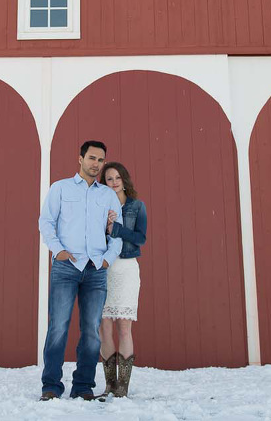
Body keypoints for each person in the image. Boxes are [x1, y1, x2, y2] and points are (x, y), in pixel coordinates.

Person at [38, 140, 123, 401]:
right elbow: (46, 222)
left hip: (96, 270)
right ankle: (51, 386)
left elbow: (117, 233)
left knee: (90, 332)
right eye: (92, 158)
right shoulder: (60, 188)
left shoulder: (107, 195)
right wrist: (58, 251)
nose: (96, 164)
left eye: (100, 160)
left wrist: (108, 258)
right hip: (66, 266)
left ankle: (83, 387)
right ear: (80, 158)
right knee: (59, 328)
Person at [99, 161, 147, 398]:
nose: (114, 182)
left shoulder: (137, 206)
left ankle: (123, 387)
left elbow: (141, 238)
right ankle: (109, 384)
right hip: (105, 268)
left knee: (124, 328)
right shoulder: (99, 205)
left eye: (118, 177)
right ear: (104, 182)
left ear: (124, 179)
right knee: (104, 327)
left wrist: (115, 229)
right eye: (109, 178)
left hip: (127, 269)